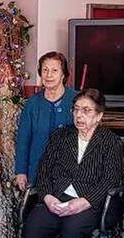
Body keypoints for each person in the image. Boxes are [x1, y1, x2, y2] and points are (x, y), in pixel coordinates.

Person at [11, 89, 124, 238]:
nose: (79, 115)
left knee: (72, 230)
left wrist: (83, 202)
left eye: (86, 111)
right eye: (76, 110)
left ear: (99, 116)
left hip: (89, 204)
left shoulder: (110, 142)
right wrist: (48, 197)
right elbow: (43, 171)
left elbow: (111, 180)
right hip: (57, 198)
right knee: (33, 225)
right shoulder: (61, 136)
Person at [14, 52, 78, 191]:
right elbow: (23, 140)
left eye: (54, 70)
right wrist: (21, 171)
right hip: (37, 173)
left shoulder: (77, 100)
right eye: (45, 70)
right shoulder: (32, 104)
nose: (49, 75)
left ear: (63, 74)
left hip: (70, 175)